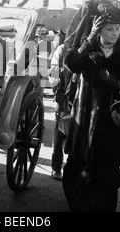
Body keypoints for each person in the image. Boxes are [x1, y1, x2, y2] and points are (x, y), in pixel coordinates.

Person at [62, 0, 120, 212]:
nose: (115, 33)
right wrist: (88, 39)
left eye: (117, 28)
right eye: (109, 29)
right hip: (84, 117)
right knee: (78, 167)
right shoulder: (88, 48)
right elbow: (71, 64)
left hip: (110, 123)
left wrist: (115, 82)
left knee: (105, 171)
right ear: (98, 29)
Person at [47, 42, 69, 181]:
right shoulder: (62, 49)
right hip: (64, 95)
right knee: (60, 133)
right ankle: (56, 168)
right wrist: (57, 90)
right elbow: (54, 70)